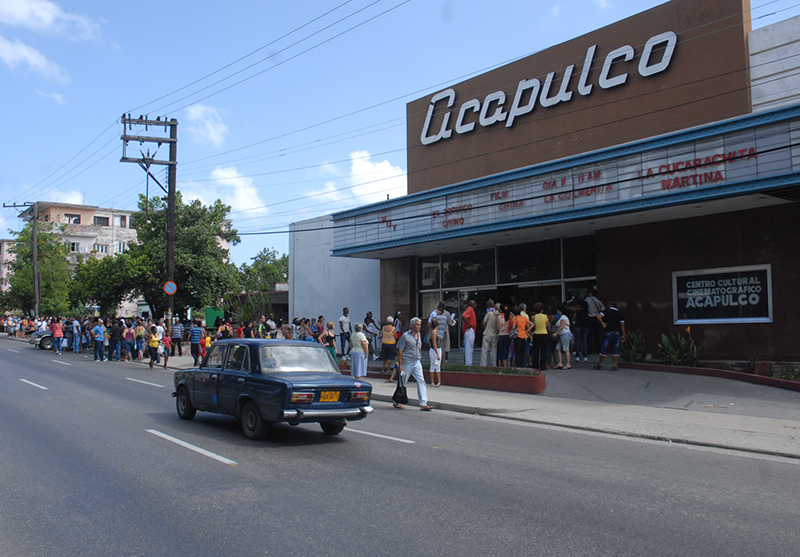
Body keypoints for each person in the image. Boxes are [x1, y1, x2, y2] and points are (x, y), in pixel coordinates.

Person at [394, 317, 433, 411]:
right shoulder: (405, 336)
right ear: (412, 325)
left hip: (417, 361)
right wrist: (400, 365)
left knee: (421, 381)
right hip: (407, 361)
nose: (419, 326)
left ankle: (423, 404)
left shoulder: (419, 334)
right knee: (403, 382)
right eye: (417, 325)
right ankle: (397, 401)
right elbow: (400, 350)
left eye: (420, 325)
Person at [594, 302, 626, 371]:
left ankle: (600, 364)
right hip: (617, 332)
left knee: (604, 348)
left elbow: (598, 317)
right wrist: (623, 335)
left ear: (610, 305)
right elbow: (622, 325)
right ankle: (614, 365)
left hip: (608, 331)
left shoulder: (606, 311)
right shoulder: (620, 314)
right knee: (616, 349)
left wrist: (603, 323)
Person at [586, 288, 605, 354]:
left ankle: (590, 350)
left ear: (591, 293)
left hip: (590, 318)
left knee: (590, 335)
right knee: (597, 335)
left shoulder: (587, 300)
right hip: (597, 318)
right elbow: (603, 309)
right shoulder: (598, 301)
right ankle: (598, 350)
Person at [552, 305, 572, 369]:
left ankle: (568, 363)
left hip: (565, 334)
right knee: (558, 348)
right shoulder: (562, 317)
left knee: (566, 349)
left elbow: (562, 326)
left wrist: (556, 333)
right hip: (562, 335)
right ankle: (560, 363)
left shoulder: (563, 317)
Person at [531, 303, 549, 371]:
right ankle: (542, 366)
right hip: (544, 333)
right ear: (542, 310)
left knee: (535, 351)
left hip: (536, 333)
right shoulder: (545, 316)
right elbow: (547, 325)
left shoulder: (533, 317)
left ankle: (535, 365)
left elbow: (533, 325)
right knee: (543, 350)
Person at [480, 302, 499, 367]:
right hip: (495, 334)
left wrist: (484, 327)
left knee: (484, 350)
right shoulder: (499, 315)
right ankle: (494, 364)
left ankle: (483, 365)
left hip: (487, 333)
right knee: (493, 351)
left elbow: (484, 323)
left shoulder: (489, 313)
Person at [514, 303, 532, 368]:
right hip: (525, 335)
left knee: (518, 351)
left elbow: (513, 327)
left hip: (517, 335)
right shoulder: (525, 316)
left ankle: (518, 365)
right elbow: (528, 325)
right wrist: (529, 333)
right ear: (525, 309)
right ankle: (523, 365)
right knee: (524, 352)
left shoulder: (515, 317)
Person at [462, 300, 477, 366]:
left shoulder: (471, 310)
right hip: (469, 330)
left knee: (470, 347)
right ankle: (468, 363)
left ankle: (469, 362)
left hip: (471, 330)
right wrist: (469, 324)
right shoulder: (469, 309)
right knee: (469, 348)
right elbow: (463, 316)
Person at [428, 318, 442, 386]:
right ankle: (438, 382)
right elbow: (434, 344)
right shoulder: (434, 333)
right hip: (436, 350)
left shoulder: (431, 332)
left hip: (432, 349)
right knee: (436, 366)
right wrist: (437, 354)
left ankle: (433, 382)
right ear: (437, 325)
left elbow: (429, 341)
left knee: (433, 366)